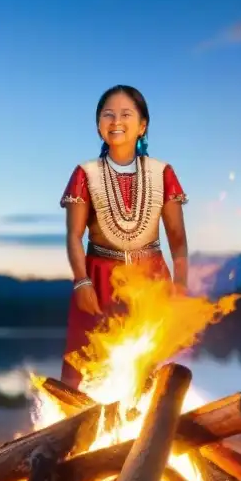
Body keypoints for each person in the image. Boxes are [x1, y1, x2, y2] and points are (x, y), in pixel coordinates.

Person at [59, 84, 189, 389]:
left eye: (125, 114)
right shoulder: (85, 173)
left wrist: (180, 286)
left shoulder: (162, 173)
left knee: (148, 363)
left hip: (151, 277)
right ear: (98, 125)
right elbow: (73, 236)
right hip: (99, 277)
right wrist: (81, 281)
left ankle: (147, 428)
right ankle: (80, 426)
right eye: (108, 114)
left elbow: (178, 241)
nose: (116, 121)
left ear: (142, 125)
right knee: (89, 362)